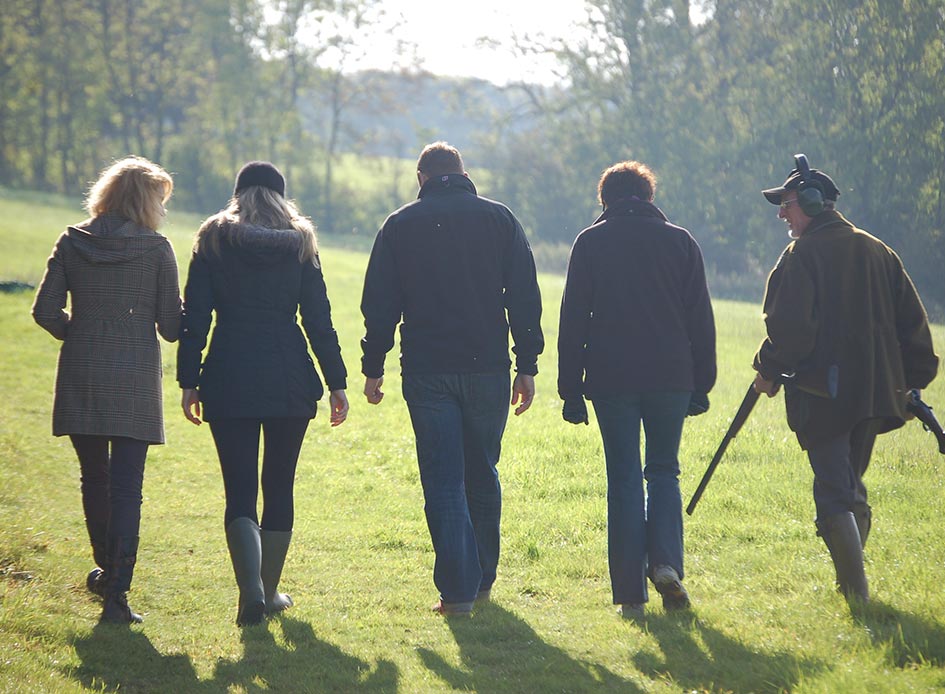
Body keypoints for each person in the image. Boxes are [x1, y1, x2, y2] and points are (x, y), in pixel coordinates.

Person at [360, 142, 544, 616]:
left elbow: (379, 303)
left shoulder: (400, 225)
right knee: (482, 471)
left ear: (421, 178)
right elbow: (524, 297)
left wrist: (374, 366)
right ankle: (482, 581)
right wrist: (527, 364)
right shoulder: (500, 219)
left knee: (443, 478)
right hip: (488, 368)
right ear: (462, 173)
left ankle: (458, 593)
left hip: (427, 368)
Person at [753, 154, 938, 603]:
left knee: (836, 490)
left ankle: (856, 596)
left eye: (789, 203)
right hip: (876, 396)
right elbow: (915, 328)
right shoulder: (880, 250)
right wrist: (910, 383)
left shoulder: (801, 255)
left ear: (815, 204)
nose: (782, 213)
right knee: (849, 484)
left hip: (824, 395)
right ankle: (850, 589)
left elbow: (792, 331)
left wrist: (768, 369)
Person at [177, 161, 349, 627]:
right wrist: (337, 382)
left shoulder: (213, 238)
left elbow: (196, 318)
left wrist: (188, 380)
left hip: (228, 372)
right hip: (289, 375)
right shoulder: (302, 243)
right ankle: (269, 592)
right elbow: (318, 319)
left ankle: (250, 591)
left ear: (239, 193)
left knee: (238, 489)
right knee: (279, 484)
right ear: (280, 195)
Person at [558, 161, 717, 620]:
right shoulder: (681, 241)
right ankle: (666, 562)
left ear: (604, 200)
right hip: (671, 377)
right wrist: (701, 383)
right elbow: (699, 321)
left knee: (624, 476)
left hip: (612, 379)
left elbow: (574, 321)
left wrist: (571, 389)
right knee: (664, 470)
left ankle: (630, 597)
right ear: (649, 197)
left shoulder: (590, 243)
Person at [32, 156, 181, 624]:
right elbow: (172, 327)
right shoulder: (157, 250)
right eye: (160, 199)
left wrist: (79, 334)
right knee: (127, 488)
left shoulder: (72, 242)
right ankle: (116, 592)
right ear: (144, 200)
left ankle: (105, 569)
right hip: (134, 377)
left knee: (94, 478)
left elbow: (45, 310)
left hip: (83, 371)